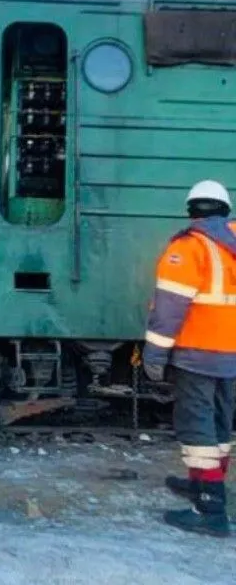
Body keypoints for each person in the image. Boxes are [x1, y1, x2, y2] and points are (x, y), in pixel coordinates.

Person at [143, 179, 236, 538]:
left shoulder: (188, 248)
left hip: (198, 355)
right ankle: (203, 482)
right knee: (219, 424)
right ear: (224, 209)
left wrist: (154, 354)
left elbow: (169, 310)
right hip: (231, 356)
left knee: (197, 427)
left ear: (192, 211)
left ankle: (209, 509)